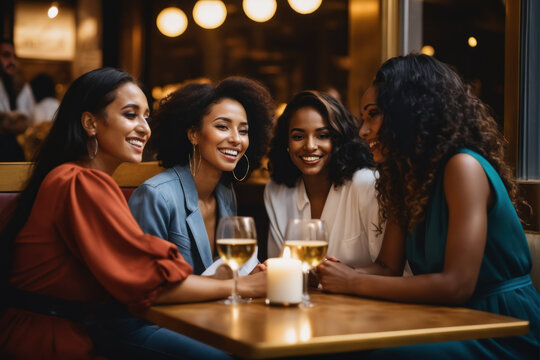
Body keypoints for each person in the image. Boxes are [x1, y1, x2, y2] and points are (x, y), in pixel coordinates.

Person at [0, 68, 265, 360]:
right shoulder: (78, 182)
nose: (144, 128)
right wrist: (241, 284)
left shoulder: (86, 180)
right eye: (130, 115)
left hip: (71, 329)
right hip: (49, 340)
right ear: (90, 122)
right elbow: (146, 280)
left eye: (146, 117)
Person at [318, 54, 540, 358]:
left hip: (502, 323)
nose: (363, 131)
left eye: (373, 115)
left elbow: (456, 286)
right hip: (449, 317)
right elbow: (387, 267)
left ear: (409, 113)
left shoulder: (463, 167)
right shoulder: (405, 176)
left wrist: (353, 281)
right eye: (363, 118)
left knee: (379, 352)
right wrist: (323, 273)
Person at [128, 77, 274, 276]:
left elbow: (223, 271)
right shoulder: (156, 196)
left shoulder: (225, 193)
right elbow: (147, 282)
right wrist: (241, 285)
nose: (236, 139)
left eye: (243, 131)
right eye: (222, 126)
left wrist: (250, 274)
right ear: (193, 134)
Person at [264, 90, 382, 268]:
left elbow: (390, 270)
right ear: (286, 143)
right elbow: (280, 265)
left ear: (339, 140)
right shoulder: (276, 191)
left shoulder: (366, 183)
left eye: (323, 135)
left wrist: (348, 278)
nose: (310, 146)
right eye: (298, 136)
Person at [0, 38, 35, 161]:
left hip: (15, 152)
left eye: (14, 56)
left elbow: (28, 122)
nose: (12, 61)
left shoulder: (23, 86)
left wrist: (7, 121)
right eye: (6, 55)